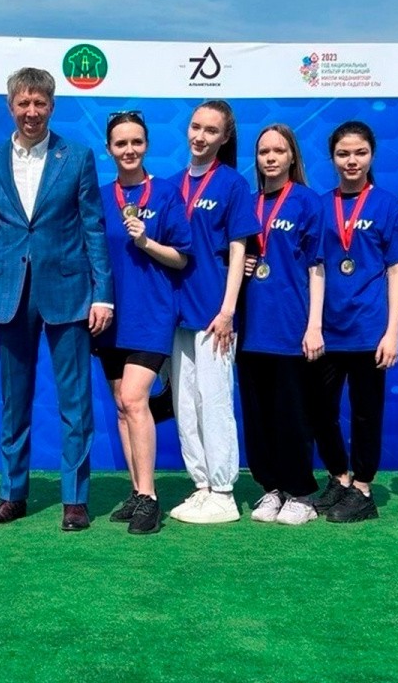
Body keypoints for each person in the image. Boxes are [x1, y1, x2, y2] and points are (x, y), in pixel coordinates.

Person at [0, 67, 113, 532]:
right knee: (14, 402)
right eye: (23, 103)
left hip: (69, 290)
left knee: (75, 402)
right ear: (10, 106)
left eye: (40, 103)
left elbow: (94, 227)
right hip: (9, 292)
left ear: (52, 106)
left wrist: (103, 295)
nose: (31, 112)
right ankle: (12, 494)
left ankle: (74, 498)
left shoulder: (77, 156)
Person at [308, 121, 398, 523]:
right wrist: (313, 325)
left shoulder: (386, 205)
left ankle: (364, 489)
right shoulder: (320, 206)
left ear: (371, 155)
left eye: (360, 153)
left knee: (367, 414)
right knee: (320, 411)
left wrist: (392, 331)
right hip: (327, 331)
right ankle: (339, 478)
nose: (351, 161)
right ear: (332, 158)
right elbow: (315, 267)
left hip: (370, 331)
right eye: (343, 154)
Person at [95, 112, 191, 535]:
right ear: (109, 149)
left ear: (146, 144)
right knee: (121, 405)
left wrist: (146, 241)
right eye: (121, 143)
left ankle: (150, 497)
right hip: (110, 317)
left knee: (135, 399)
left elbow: (182, 257)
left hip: (152, 313)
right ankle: (136, 491)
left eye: (136, 142)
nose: (129, 150)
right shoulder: (100, 197)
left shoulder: (166, 193)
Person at [166, 100, 259, 525]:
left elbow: (240, 251)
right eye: (195, 127)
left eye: (210, 130)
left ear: (224, 138)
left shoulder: (232, 184)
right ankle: (201, 485)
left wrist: (227, 310)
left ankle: (224, 492)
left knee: (215, 401)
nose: (200, 136)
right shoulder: (171, 185)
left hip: (213, 312)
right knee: (185, 403)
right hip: (176, 311)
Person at [238, 124, 325, 526]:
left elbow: (316, 268)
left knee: (293, 415)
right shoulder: (247, 203)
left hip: (291, 326)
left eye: (278, 150)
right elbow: (234, 258)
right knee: (258, 417)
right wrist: (242, 263)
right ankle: (271, 487)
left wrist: (314, 326)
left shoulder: (307, 202)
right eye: (263, 152)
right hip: (250, 329)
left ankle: (301, 493)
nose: (270, 158)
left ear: (292, 156)